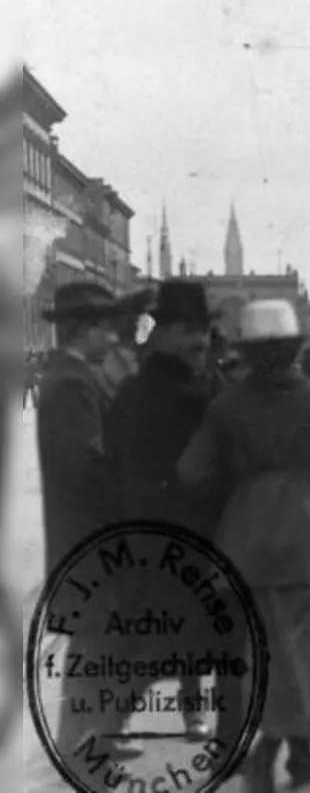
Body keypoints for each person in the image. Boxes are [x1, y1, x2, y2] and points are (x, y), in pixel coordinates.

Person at [178, 300, 310, 792]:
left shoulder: (226, 404)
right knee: (308, 649)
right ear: (294, 349)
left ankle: (290, 745)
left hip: (245, 538)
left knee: (260, 648)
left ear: (246, 352)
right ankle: (282, 746)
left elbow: (190, 471)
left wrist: (237, 485)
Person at [106, 280, 223, 742]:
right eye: (190, 331)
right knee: (184, 624)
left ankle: (115, 720)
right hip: (186, 527)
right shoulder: (194, 396)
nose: (201, 341)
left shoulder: (130, 391)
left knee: (149, 624)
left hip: (139, 526)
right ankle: (189, 714)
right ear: (166, 334)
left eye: (203, 330)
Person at [36, 282, 143, 758]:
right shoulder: (73, 383)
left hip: (80, 529)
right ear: (84, 329)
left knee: (95, 636)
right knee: (95, 635)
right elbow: (86, 465)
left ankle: (87, 736)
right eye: (104, 328)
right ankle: (78, 742)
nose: (111, 338)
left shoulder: (69, 376)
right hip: (88, 532)